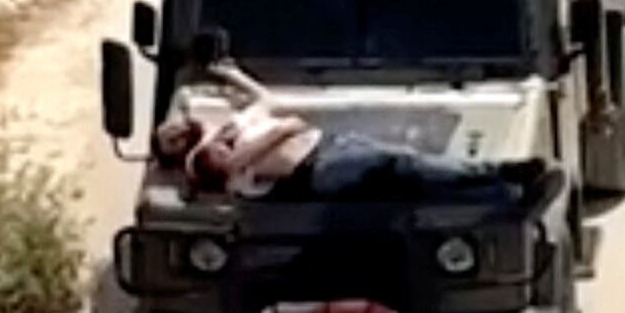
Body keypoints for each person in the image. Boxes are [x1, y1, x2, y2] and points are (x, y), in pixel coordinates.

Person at [173, 61, 545, 203]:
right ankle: (503, 176)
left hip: (333, 146)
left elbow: (268, 102)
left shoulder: (240, 141)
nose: (219, 151)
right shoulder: (237, 172)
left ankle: (498, 189)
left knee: (410, 176)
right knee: (406, 166)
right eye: (212, 155)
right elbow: (288, 124)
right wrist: (244, 137)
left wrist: (232, 75)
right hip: (321, 166)